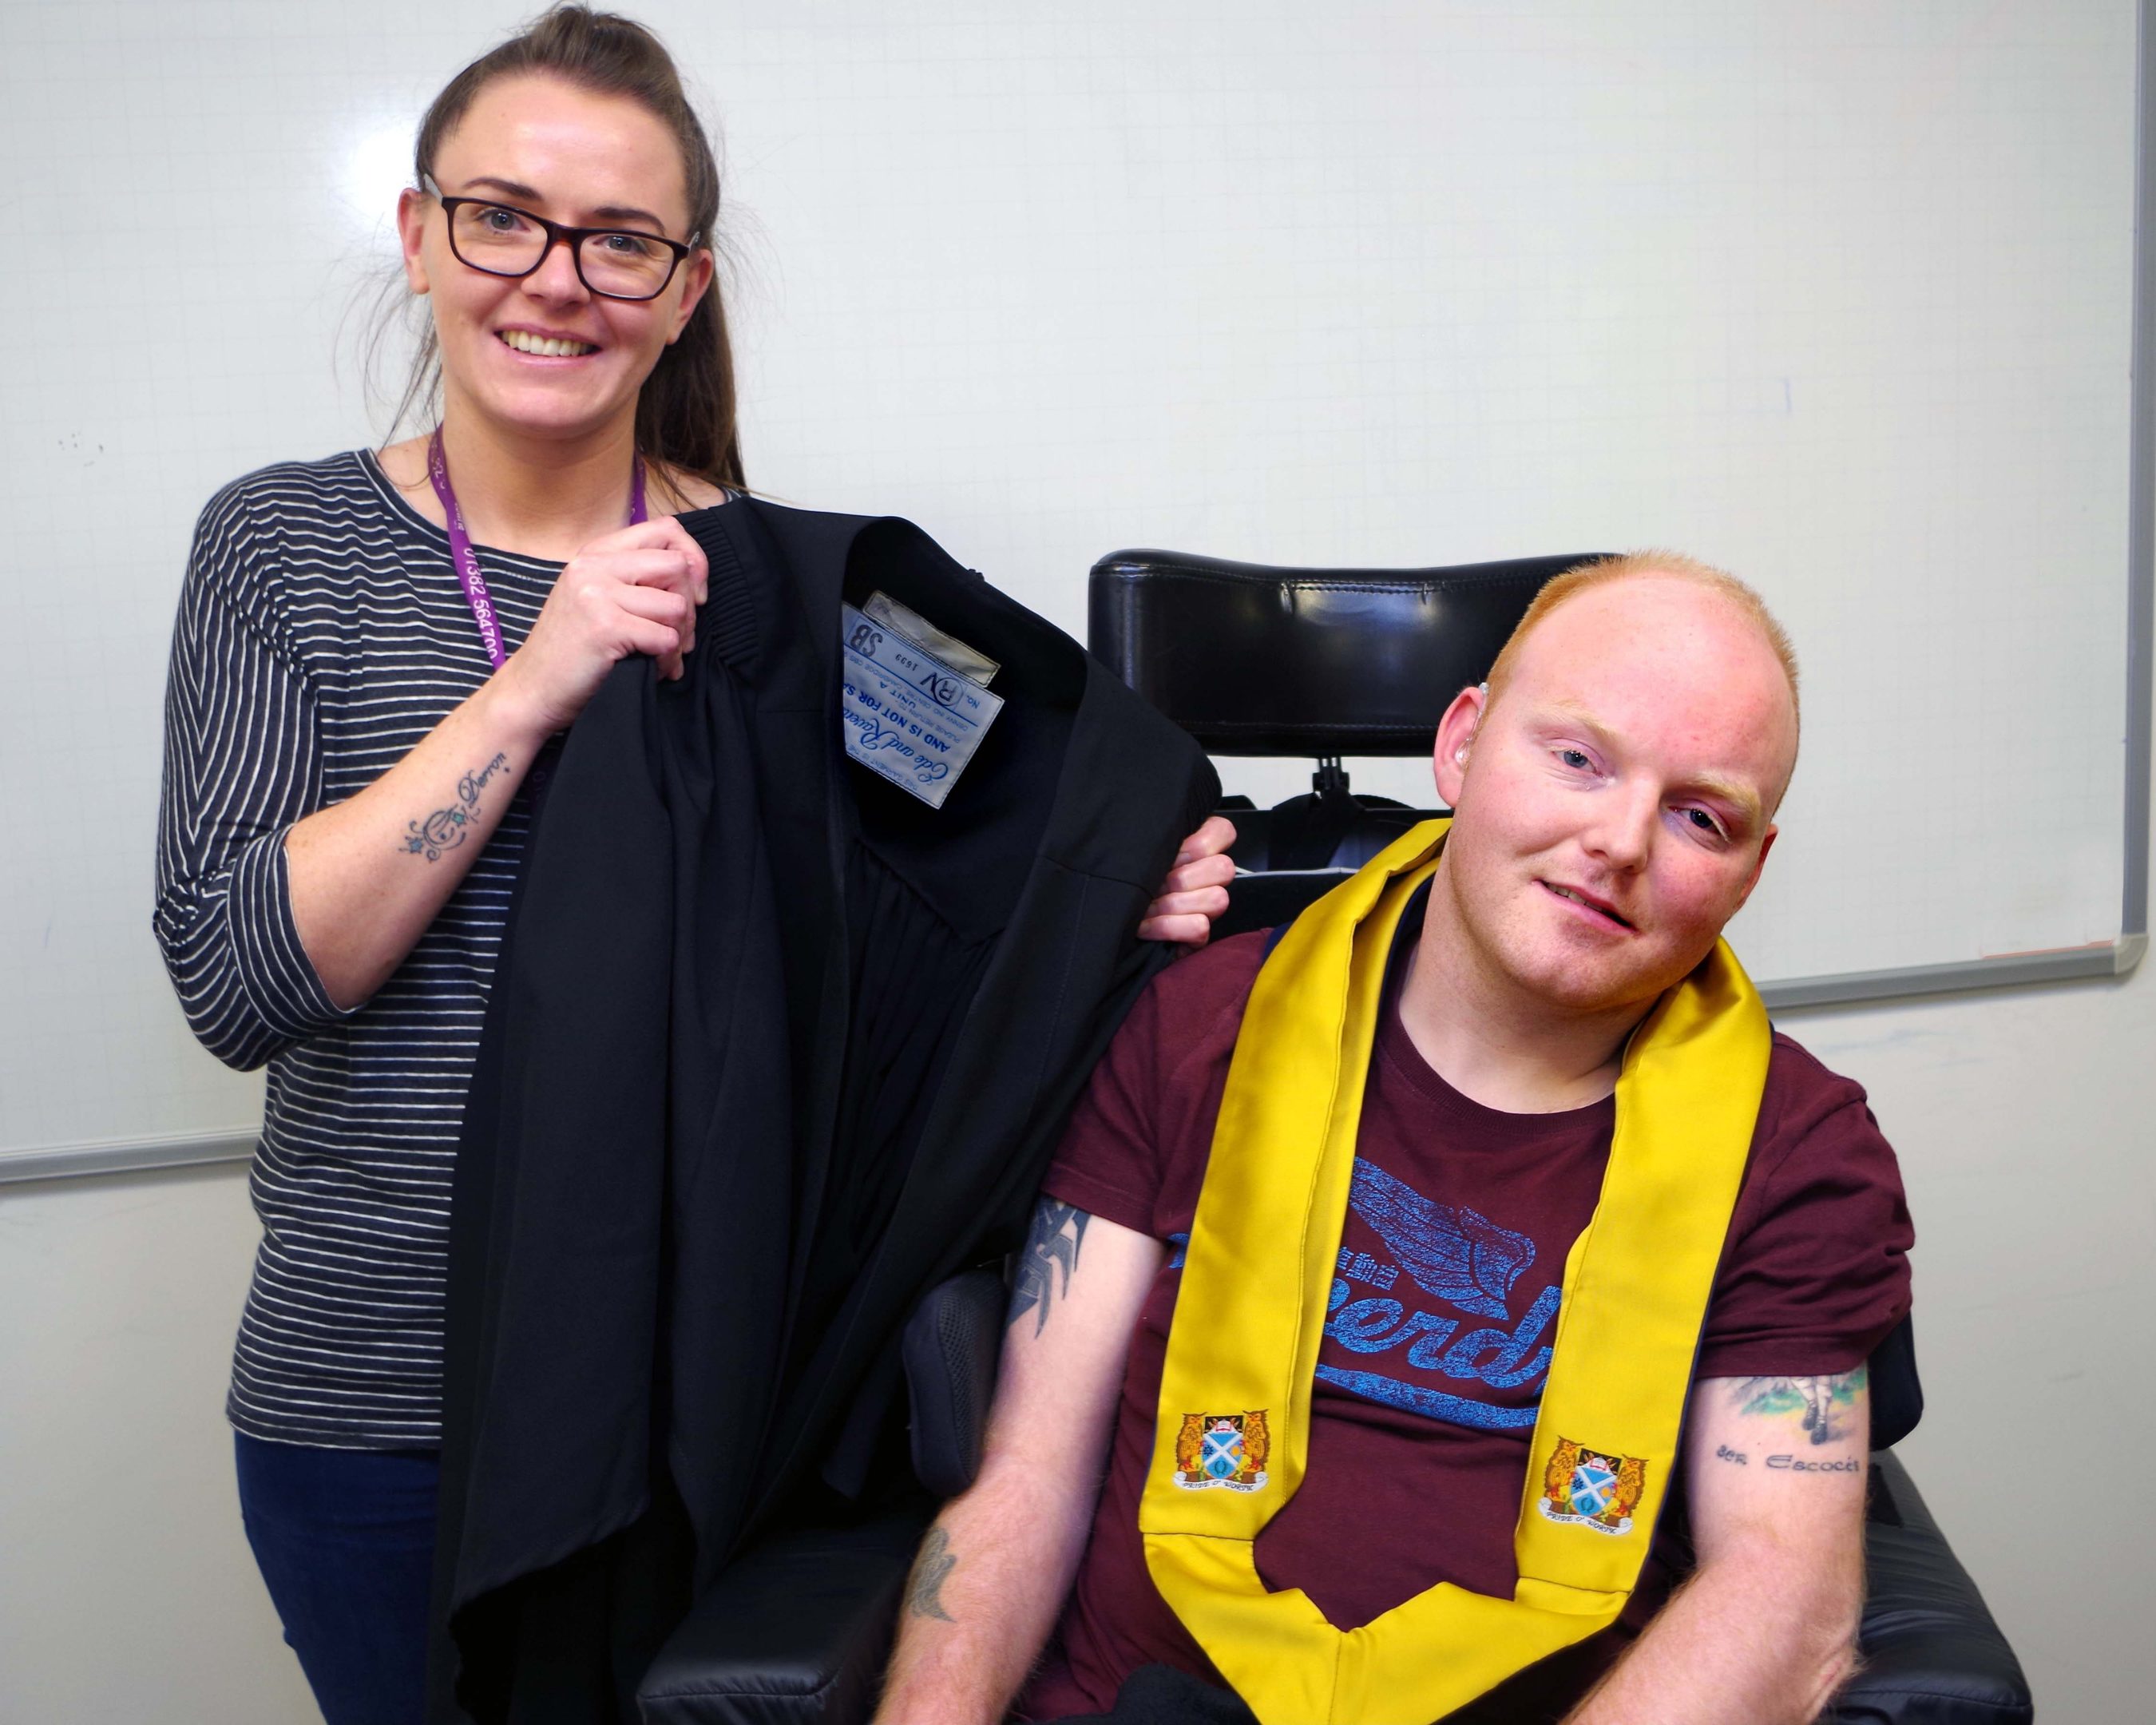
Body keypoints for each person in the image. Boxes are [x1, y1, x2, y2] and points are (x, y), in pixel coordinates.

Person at [150, 10, 1231, 1724]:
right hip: (375, 1409)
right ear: (425, 235)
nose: (556, 277)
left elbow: (972, 892)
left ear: (683, 287)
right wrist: (539, 676)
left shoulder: (774, 603)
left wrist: (1126, 904)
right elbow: (239, 977)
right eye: (504, 217)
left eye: (621, 243)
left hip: (686, 1398)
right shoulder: (285, 545)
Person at [873, 553, 1914, 1725]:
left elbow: (1784, 1590)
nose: (1620, 842)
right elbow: (1028, 1484)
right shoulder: (1195, 1028)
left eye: (1699, 816)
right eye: (1577, 759)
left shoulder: (1802, 1152)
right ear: (1462, 745)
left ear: (1750, 870)